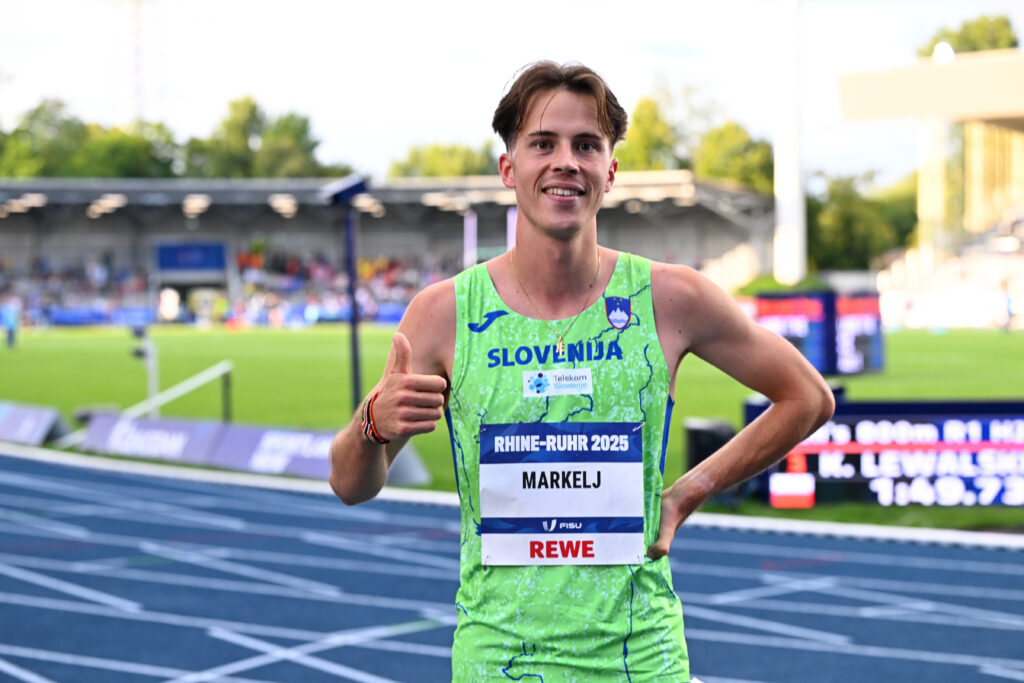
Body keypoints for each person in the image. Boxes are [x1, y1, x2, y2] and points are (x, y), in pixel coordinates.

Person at [329, 60, 835, 682]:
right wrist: (373, 425)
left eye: (587, 145)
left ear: (610, 171)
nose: (565, 161)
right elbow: (350, 485)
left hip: (640, 660)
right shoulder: (444, 313)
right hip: (499, 661)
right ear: (509, 168)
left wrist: (688, 493)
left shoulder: (669, 298)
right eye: (543, 143)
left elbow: (807, 397)